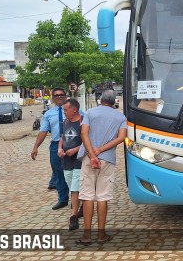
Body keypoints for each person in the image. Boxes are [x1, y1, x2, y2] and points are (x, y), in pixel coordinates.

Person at [76, 90, 126, 246]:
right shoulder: (121, 117)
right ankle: (101, 234)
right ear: (114, 102)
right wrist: (101, 150)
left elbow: (84, 134)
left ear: (100, 100)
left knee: (87, 196)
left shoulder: (90, 113)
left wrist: (92, 155)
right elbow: (121, 137)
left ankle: (86, 235)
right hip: (107, 160)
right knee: (103, 197)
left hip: (88, 159)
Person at [31, 87, 70, 210]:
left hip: (72, 145)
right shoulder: (48, 114)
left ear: (65, 96)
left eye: (61, 94)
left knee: (74, 173)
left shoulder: (75, 110)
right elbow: (43, 132)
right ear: (52, 98)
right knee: (58, 173)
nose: (59, 96)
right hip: (55, 145)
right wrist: (35, 147)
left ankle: (76, 199)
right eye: (56, 95)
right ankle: (63, 199)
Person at [57, 98, 84, 230]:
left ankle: (73, 216)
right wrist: (59, 149)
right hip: (66, 160)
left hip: (79, 160)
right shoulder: (66, 122)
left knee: (75, 189)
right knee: (71, 184)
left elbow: (88, 142)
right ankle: (83, 206)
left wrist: (76, 150)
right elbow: (62, 138)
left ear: (74, 109)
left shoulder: (83, 122)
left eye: (66, 110)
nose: (64, 112)